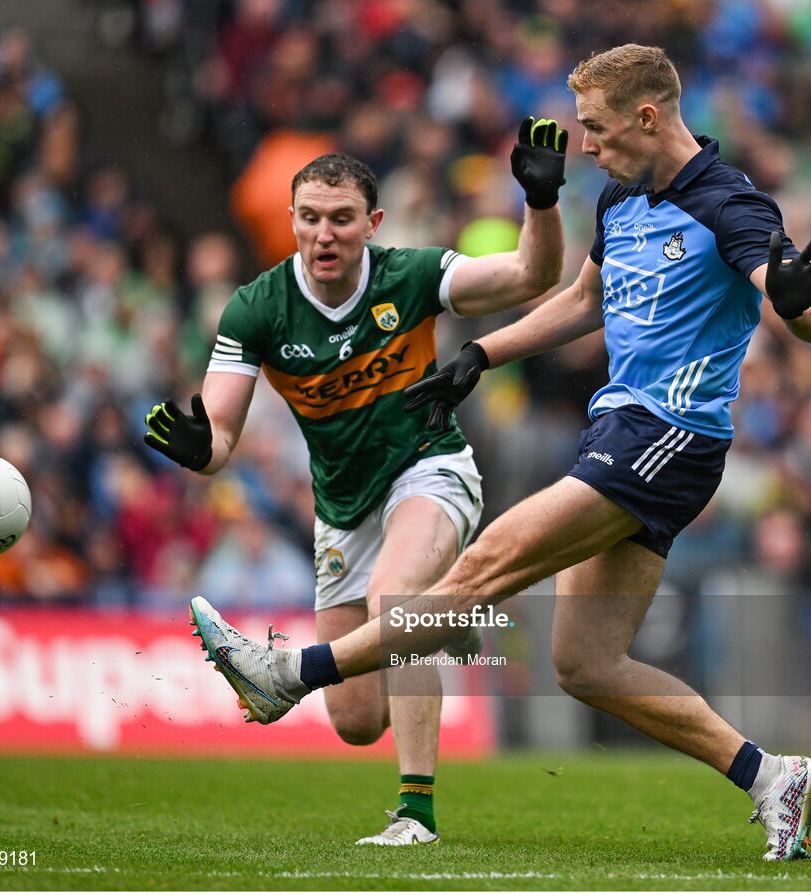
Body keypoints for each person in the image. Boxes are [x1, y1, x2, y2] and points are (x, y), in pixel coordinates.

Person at [186, 44, 811, 861]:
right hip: (619, 432)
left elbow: (802, 314)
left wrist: (796, 305)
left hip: (669, 437)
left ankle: (289, 673)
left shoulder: (730, 205)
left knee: (482, 566)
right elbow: (579, 301)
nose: (588, 146)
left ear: (648, 116)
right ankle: (768, 775)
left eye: (597, 129)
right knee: (586, 663)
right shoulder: (620, 197)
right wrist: (482, 356)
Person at [146, 121, 568, 845]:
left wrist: (541, 202)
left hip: (429, 469)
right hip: (343, 510)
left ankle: (416, 814)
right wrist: (200, 447)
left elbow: (532, 277)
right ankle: (445, 616)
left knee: (395, 604)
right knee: (355, 720)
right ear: (292, 222)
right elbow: (219, 437)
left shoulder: (411, 275)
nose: (324, 233)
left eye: (342, 219)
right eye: (309, 218)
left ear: (372, 223)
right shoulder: (257, 308)